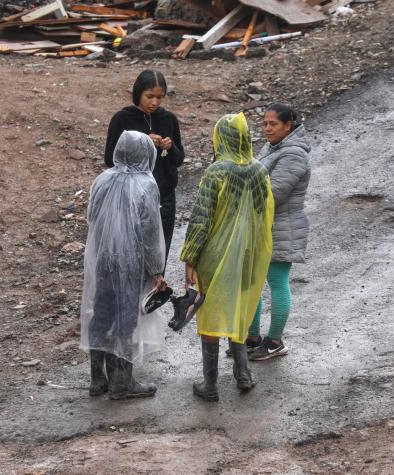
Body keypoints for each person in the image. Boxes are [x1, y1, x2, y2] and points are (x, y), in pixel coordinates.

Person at [180, 113, 274, 402]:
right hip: (247, 255)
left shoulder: (216, 172)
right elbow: (264, 213)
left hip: (215, 256)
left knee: (210, 316)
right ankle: (243, 375)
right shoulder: (259, 170)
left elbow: (201, 220)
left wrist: (189, 258)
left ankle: (210, 385)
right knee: (237, 310)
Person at [80, 131, 167, 400]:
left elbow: (92, 216)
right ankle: (121, 383)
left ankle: (98, 379)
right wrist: (156, 269)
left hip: (104, 257)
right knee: (125, 317)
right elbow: (151, 231)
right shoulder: (146, 185)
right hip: (130, 260)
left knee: (102, 311)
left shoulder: (103, 179)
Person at [246, 103, 311, 361]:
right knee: (252, 283)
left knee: (276, 282)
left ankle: (274, 341)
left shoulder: (294, 154)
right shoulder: (273, 147)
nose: (267, 128)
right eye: (264, 123)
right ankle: (252, 337)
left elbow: (273, 192)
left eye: (273, 124)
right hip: (262, 227)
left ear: (288, 125)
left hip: (282, 228)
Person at [104, 70, 185, 266]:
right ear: (138, 92)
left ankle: (156, 295)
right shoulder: (123, 120)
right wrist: (141, 143)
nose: (155, 103)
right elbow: (110, 159)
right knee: (133, 252)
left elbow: (179, 159)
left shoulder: (168, 119)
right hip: (132, 198)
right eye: (150, 96)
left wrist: (170, 146)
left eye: (159, 97)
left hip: (163, 197)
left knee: (159, 251)